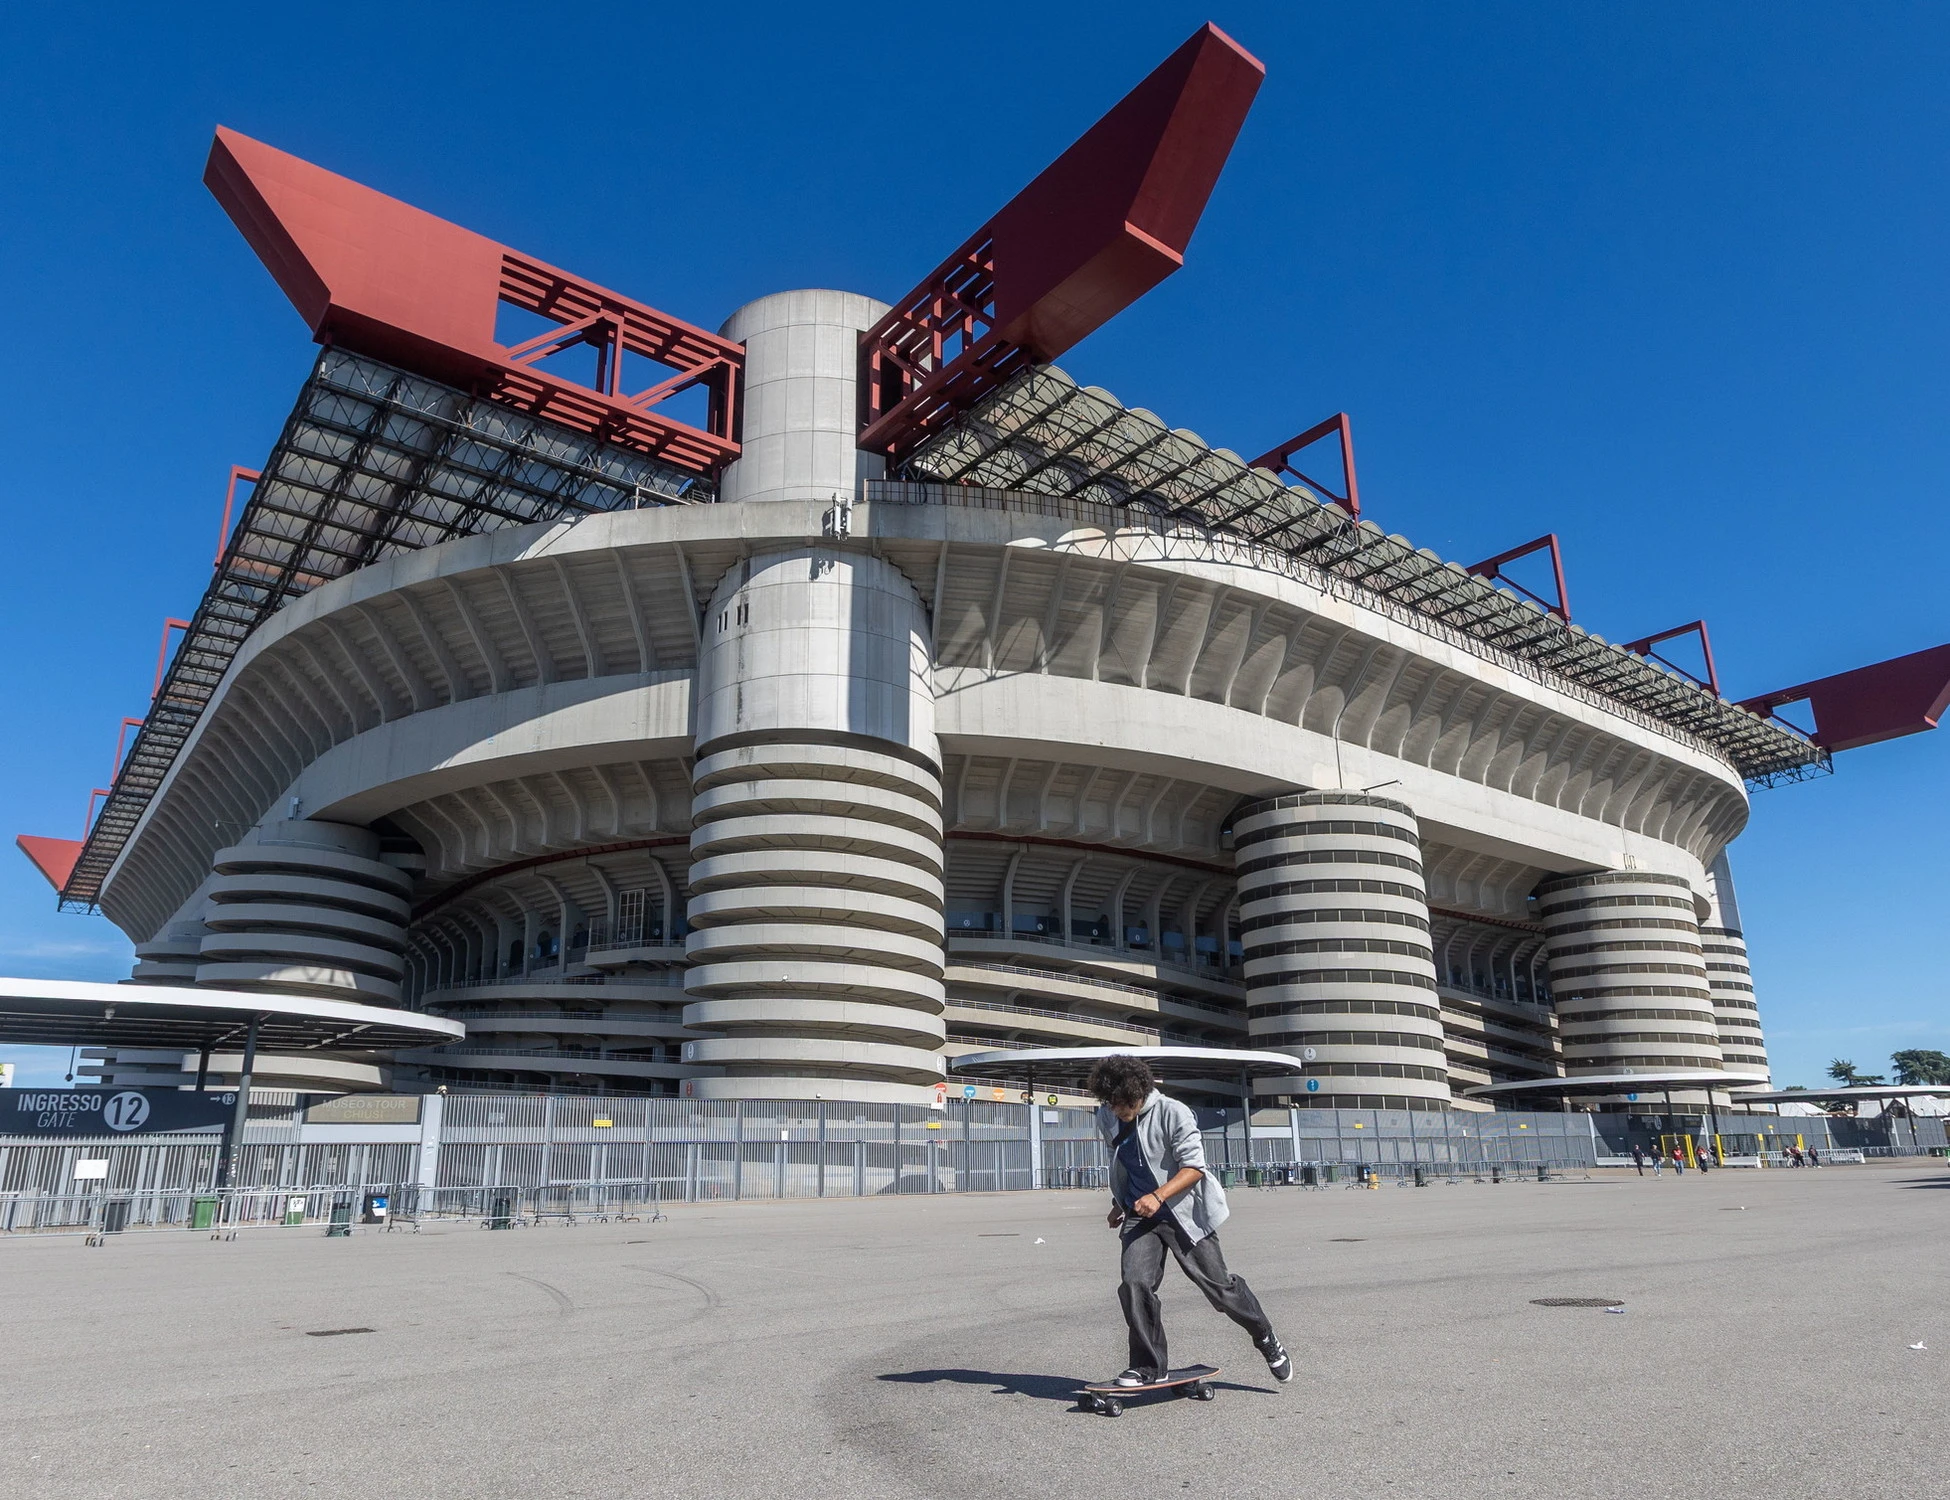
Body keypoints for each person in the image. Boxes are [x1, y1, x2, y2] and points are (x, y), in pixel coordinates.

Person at [1088, 1055, 1291, 1388]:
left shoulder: (1173, 1113)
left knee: (1220, 1290)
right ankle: (1148, 1366)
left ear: (1137, 1094)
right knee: (1135, 1284)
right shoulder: (1108, 1116)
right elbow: (1122, 1160)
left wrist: (1158, 1196)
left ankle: (1265, 1335)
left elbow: (1194, 1168)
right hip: (1141, 1214)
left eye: (1120, 1103)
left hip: (1184, 1215)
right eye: (1108, 1102)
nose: (1113, 1110)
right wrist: (1118, 1202)